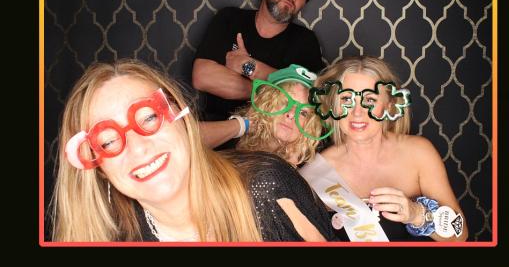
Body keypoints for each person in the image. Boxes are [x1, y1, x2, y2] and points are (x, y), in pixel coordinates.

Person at [50, 60, 335, 242]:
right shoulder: (112, 234)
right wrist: (244, 124)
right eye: (108, 141)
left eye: (149, 118)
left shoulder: (268, 184)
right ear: (97, 167)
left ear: (181, 115)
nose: (138, 146)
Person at [300, 56, 469, 242]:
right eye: (347, 98)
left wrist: (416, 214)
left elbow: (459, 236)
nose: (357, 112)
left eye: (370, 99)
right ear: (334, 104)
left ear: (389, 104)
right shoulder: (312, 175)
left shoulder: (419, 153)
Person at [192, 0, 324, 122]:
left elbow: (308, 96)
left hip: (271, 133)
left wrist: (248, 66)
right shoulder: (229, 18)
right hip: (217, 125)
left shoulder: (305, 41)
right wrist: (272, 91)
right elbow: (202, 76)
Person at [204, 65, 328, 168]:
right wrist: (242, 124)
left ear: (310, 127)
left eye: (303, 112)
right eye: (284, 102)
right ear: (266, 103)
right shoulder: (230, 135)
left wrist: (290, 165)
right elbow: (192, 141)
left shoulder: (308, 173)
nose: (291, 114)